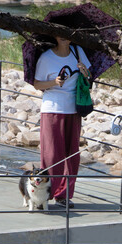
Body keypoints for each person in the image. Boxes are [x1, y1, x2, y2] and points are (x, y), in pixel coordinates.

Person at [34, 36, 91, 208]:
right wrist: (54, 82)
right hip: (52, 109)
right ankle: (44, 194)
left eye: (67, 33)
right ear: (55, 37)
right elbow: (37, 84)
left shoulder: (78, 52)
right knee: (52, 155)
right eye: (60, 34)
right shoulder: (46, 58)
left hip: (74, 109)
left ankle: (63, 196)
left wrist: (84, 72)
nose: (64, 37)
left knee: (72, 155)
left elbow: (88, 79)